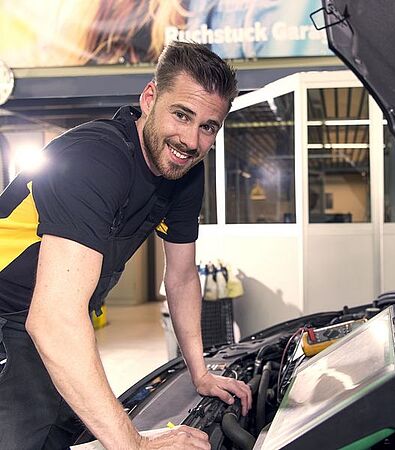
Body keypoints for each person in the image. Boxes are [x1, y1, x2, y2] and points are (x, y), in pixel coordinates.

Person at [0, 41, 252, 449]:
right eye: (182, 115)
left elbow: (182, 277)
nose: (191, 140)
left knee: (72, 430)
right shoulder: (95, 159)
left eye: (208, 127)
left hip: (50, 316)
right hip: (11, 317)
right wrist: (136, 445)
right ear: (150, 98)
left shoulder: (185, 173)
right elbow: (54, 320)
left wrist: (200, 372)